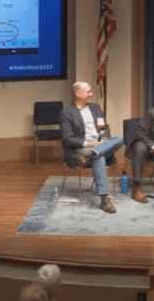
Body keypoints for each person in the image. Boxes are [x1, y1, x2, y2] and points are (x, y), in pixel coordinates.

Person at [58, 81, 123, 213]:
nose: (91, 94)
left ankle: (91, 153)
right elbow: (68, 139)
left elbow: (104, 128)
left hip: (99, 145)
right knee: (98, 157)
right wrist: (87, 144)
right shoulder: (67, 112)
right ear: (78, 93)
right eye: (88, 91)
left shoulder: (96, 108)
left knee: (119, 139)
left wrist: (103, 139)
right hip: (80, 149)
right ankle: (104, 199)